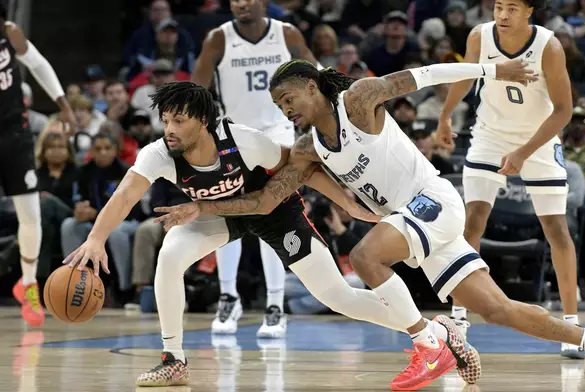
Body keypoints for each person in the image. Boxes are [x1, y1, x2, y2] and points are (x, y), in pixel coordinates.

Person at [156, 59, 585, 390]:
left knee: (365, 255)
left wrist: (494, 70)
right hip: (414, 220)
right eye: (279, 106)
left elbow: (426, 76)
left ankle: (429, 344)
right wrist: (203, 209)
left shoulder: (359, 100)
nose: (286, 109)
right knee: (499, 311)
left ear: (313, 86)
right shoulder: (306, 150)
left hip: (433, 201)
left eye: (289, 97)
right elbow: (263, 202)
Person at [63, 82, 477, 388]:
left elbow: (305, 168)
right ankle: (174, 358)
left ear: (203, 121)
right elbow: (123, 195)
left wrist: (348, 204)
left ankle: (435, 332)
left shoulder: (243, 141)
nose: (169, 129)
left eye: (179, 120)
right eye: (166, 120)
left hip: (274, 210)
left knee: (337, 297)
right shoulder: (159, 153)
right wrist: (97, 238)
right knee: (170, 256)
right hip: (219, 215)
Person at [437, 0, 584, 358]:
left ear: (529, 11)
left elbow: (564, 110)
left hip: (540, 137)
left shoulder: (548, 46)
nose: (503, 15)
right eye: (498, 7)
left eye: (512, 8)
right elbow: (464, 77)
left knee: (556, 229)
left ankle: (571, 323)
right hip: (490, 135)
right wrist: (445, 117)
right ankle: (459, 318)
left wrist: (523, 152)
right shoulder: (479, 36)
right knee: (472, 222)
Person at [191, 0, 321, 338]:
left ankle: (275, 304)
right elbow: (196, 91)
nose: (241, 4)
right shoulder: (218, 39)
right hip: (234, 136)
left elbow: (316, 79)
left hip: (277, 134)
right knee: (226, 214)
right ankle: (227, 296)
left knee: (272, 216)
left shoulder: (286, 35)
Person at [0, 5, 76, 327]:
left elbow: (38, 63)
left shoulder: (9, 32)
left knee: (30, 214)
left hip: (14, 133)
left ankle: (28, 283)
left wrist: (64, 104)